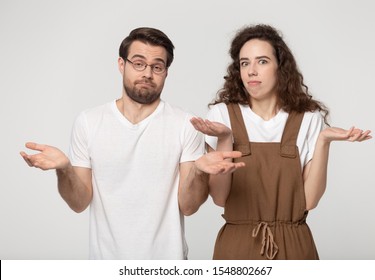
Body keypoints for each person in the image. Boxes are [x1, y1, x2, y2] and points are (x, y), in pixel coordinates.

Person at [20, 27, 244, 260]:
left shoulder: (186, 124)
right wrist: (64, 170)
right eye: (138, 63)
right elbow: (78, 203)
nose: (147, 73)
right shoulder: (89, 122)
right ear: (121, 64)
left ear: (166, 72)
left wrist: (198, 171)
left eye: (157, 66)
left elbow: (188, 206)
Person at [191, 24, 372, 260]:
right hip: (237, 246)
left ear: (281, 67)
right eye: (245, 63)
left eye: (262, 61)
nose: (251, 71)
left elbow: (310, 200)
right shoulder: (222, 115)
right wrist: (226, 138)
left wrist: (324, 141)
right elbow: (219, 198)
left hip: (295, 243)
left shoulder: (308, 118)